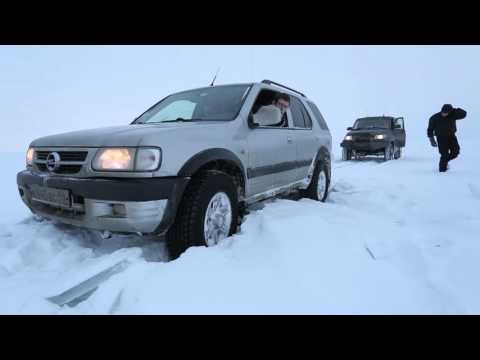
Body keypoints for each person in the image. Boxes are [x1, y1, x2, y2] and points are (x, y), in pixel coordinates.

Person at [427, 104, 467, 172]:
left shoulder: (453, 115)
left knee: (455, 152)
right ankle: (442, 171)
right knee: (444, 154)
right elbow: (430, 130)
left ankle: (444, 162)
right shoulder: (434, 118)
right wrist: (432, 140)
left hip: (451, 136)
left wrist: (454, 110)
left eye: (446, 112)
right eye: (443, 112)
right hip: (441, 138)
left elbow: (464, 114)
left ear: (450, 112)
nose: (444, 114)